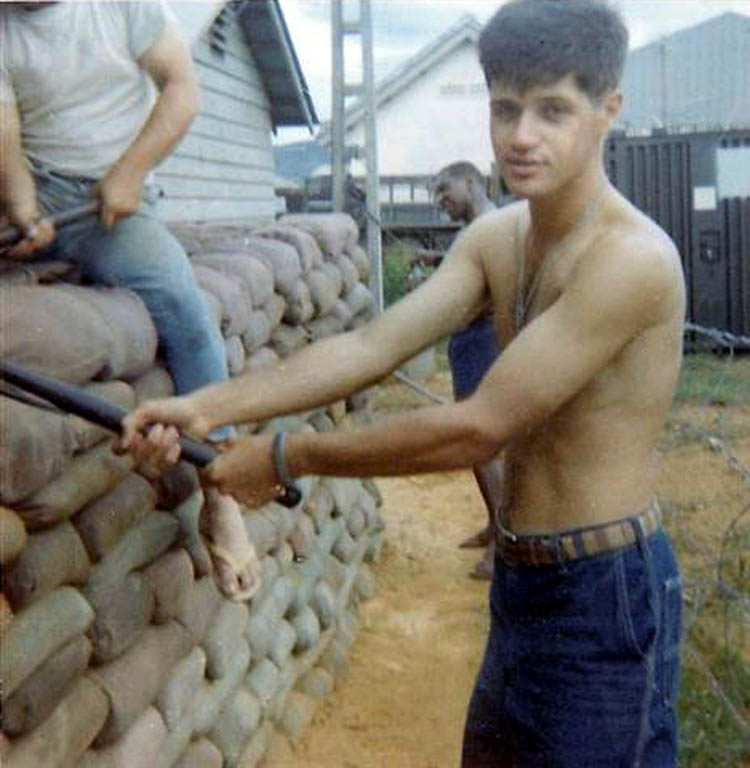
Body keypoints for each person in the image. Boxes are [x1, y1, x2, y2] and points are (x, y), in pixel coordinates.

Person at [122, 0, 685, 764]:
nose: (522, 136)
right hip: (522, 585)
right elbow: (369, 344)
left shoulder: (630, 261)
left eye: (553, 110)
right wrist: (202, 405)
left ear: (607, 110)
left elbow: (479, 427)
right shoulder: (498, 238)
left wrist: (289, 458)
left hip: (603, 590)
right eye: (506, 108)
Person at [0, 1, 259, 602]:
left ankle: (221, 497)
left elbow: (182, 90)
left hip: (111, 193)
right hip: (36, 187)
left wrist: (129, 173)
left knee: (187, 316)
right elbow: (5, 134)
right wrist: (23, 206)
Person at [432, 161, 504, 579]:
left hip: (483, 341)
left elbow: (496, 292)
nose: (442, 199)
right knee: (477, 447)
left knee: (482, 445)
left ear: (471, 182)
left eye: (446, 189)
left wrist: (452, 315)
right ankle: (495, 525)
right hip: (471, 340)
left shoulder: (491, 227)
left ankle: (504, 547)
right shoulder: (475, 229)